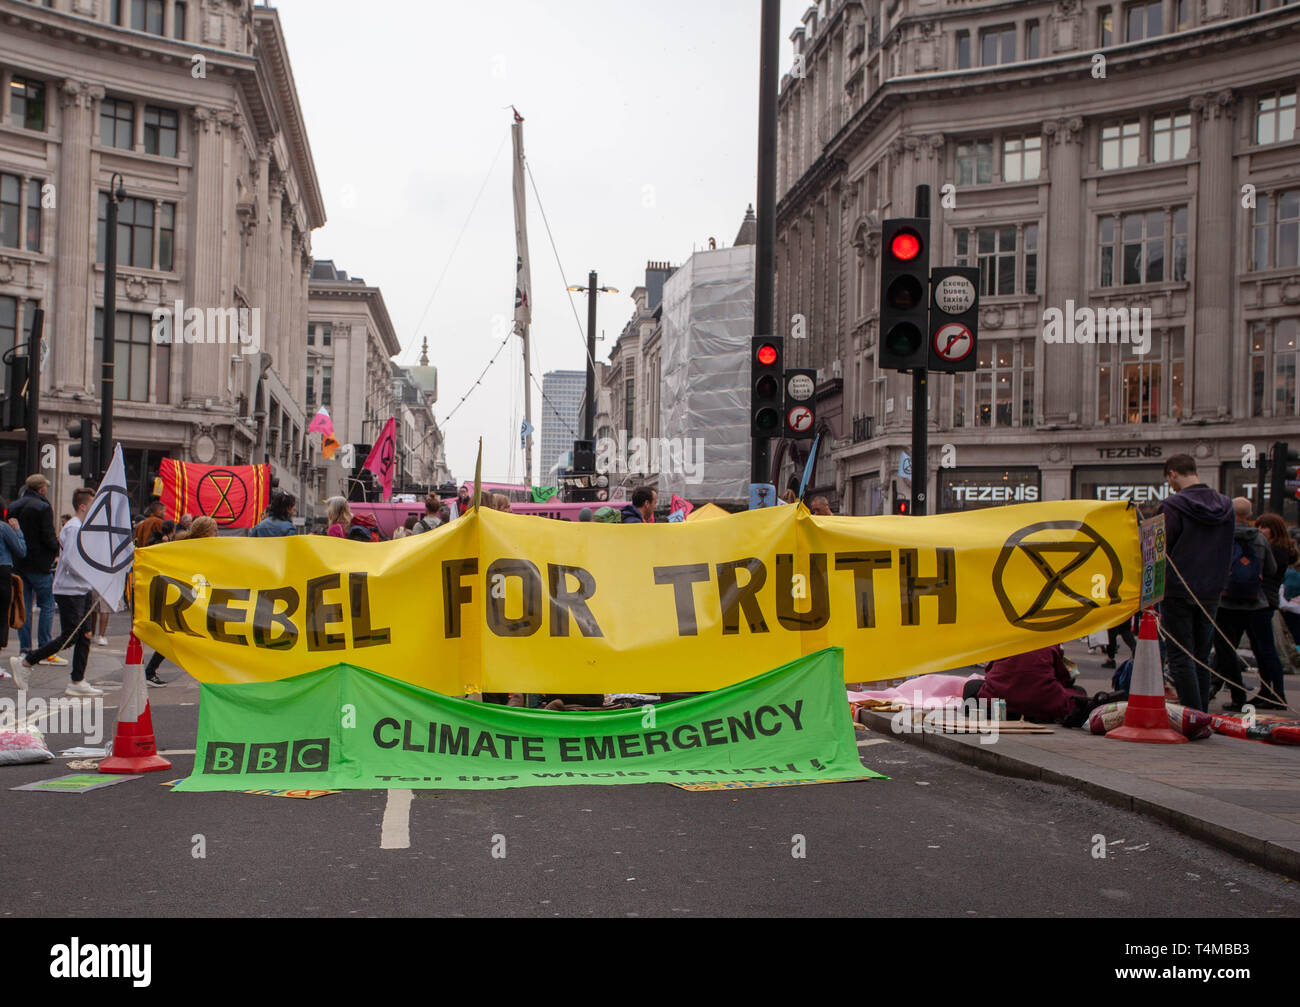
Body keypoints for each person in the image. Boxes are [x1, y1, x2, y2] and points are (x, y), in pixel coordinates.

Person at [1157, 454, 1234, 712]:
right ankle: (1201, 713)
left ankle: (1191, 714)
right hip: (1212, 590)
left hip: (1178, 588)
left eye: (1169, 480)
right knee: (1202, 656)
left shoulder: (1173, 506)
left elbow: (1160, 550)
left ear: (1172, 474)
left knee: (1181, 655)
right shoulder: (1226, 505)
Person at [9, 488, 100, 696]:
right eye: (93, 504)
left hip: (82, 588)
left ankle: (77, 681)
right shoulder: (74, 528)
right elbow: (70, 561)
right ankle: (27, 661)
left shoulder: (82, 528)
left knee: (85, 635)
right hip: (69, 590)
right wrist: (94, 572)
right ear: (83, 506)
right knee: (71, 636)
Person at [1213, 499, 1285, 710]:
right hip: (1255, 603)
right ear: (1251, 513)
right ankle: (1276, 693)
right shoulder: (1260, 539)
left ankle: (1238, 696)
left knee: (1226, 649)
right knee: (1264, 649)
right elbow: (1271, 569)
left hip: (1225, 602)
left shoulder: (1222, 536)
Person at [143, 516, 219, 685]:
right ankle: (150, 670)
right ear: (206, 532)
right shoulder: (192, 548)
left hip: (188, 596)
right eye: (214, 531)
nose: (217, 534)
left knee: (181, 635)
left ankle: (151, 670)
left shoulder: (190, 545)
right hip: (185, 597)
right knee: (178, 636)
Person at [9, 474, 63, 662]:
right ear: (41, 489)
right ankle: (44, 647)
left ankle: (25, 648)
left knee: (24, 607)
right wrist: (55, 549)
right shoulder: (43, 507)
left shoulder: (14, 506)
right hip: (40, 564)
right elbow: (48, 535)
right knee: (47, 605)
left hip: (19, 563)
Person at [976, 644, 1093, 726]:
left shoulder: (1007, 637)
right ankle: (1030, 713)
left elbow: (989, 670)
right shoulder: (1050, 640)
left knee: (972, 687)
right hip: (1040, 702)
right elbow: (1062, 676)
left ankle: (1011, 712)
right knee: (1078, 692)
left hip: (1001, 699)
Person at [1257, 513, 1300, 676]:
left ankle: (1274, 691)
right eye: (1259, 527)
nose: (1260, 531)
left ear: (1274, 529)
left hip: (1264, 600)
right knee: (1264, 646)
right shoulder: (1281, 549)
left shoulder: (1274, 549)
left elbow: (1267, 573)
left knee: (1265, 647)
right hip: (1271, 600)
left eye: (1264, 527)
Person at [0, 499, 25, 654]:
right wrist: (18, 531)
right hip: (2, 572)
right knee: (2, 614)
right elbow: (21, 550)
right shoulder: (3, 528)